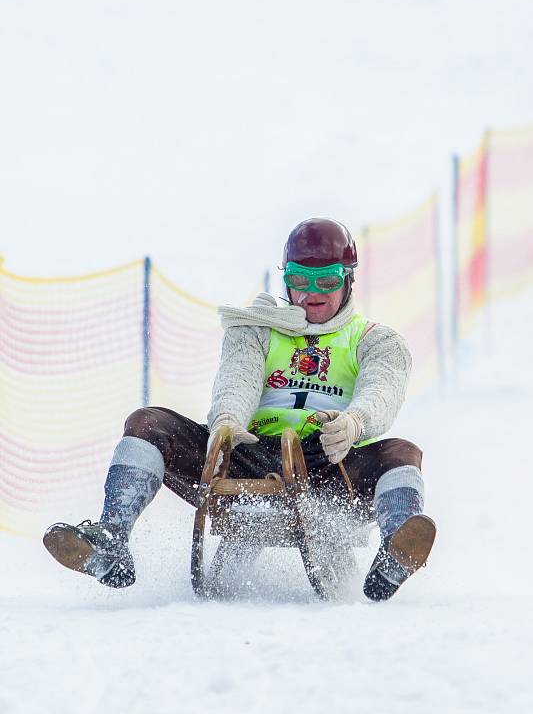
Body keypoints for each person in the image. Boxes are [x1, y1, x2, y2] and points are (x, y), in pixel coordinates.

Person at [43, 218, 436, 601]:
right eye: (299, 280)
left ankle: (397, 548)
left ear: (348, 279)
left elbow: (381, 389)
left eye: (327, 281)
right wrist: (227, 423)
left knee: (402, 452)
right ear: (286, 279)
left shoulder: (374, 339)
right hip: (250, 453)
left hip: (330, 462)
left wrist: (355, 422)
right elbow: (238, 379)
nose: (311, 293)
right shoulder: (257, 328)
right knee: (148, 422)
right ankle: (112, 537)